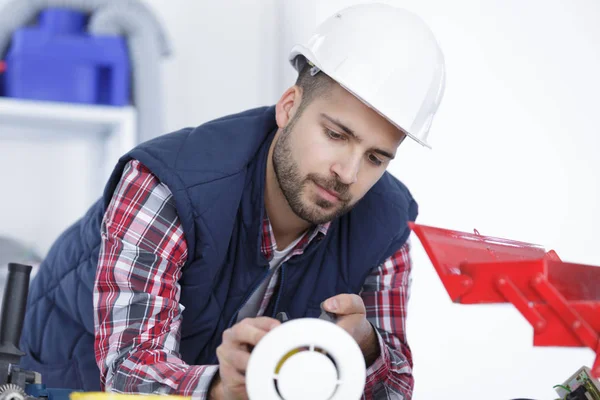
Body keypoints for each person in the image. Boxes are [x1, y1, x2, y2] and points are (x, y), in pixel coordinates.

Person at [19, 3, 445, 399]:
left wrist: (367, 347)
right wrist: (221, 386)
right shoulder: (166, 185)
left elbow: (394, 390)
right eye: (336, 135)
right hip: (62, 379)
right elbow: (129, 370)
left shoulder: (387, 225)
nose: (349, 173)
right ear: (289, 107)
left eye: (375, 158)